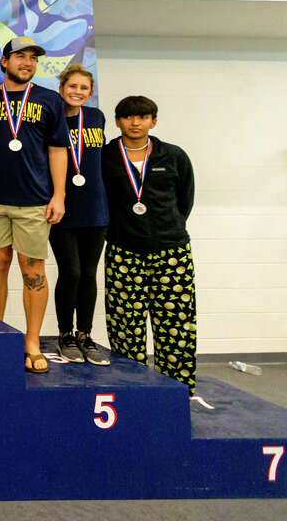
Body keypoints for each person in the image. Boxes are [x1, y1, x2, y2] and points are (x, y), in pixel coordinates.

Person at [0, 37, 68, 375]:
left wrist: (59, 195)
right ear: (4, 62)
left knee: (33, 270)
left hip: (33, 201)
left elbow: (58, 149)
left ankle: (31, 340)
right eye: (20, 57)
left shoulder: (49, 100)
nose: (27, 62)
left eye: (33, 58)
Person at [100, 96, 197, 394]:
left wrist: (166, 229)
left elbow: (185, 199)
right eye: (128, 117)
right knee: (125, 326)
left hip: (171, 251)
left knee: (176, 326)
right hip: (123, 250)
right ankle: (133, 391)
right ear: (117, 121)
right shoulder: (106, 157)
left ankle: (177, 392)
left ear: (153, 121)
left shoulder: (174, 156)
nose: (135, 122)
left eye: (142, 117)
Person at [49, 65, 110, 365]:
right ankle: (65, 334)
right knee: (70, 271)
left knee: (88, 274)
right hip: (62, 206)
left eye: (83, 88)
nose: (77, 92)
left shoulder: (96, 118)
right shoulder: (53, 116)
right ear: (62, 89)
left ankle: (85, 334)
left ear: (90, 92)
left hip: (95, 207)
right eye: (72, 86)